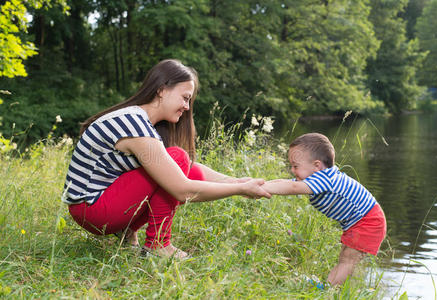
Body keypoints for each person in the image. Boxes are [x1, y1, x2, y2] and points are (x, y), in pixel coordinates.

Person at [61, 59, 271, 259]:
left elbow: (190, 170)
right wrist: (239, 190)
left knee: (179, 165)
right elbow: (183, 189)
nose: (187, 107)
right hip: (93, 210)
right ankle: (158, 245)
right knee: (177, 158)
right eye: (185, 98)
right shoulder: (135, 126)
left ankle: (127, 232)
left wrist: (235, 181)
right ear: (161, 90)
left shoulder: (137, 119)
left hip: (92, 207)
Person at [262, 133, 386, 286]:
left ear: (317, 165)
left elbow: (292, 187)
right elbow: (286, 182)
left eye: (295, 166)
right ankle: (329, 288)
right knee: (345, 258)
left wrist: (262, 188)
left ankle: (328, 291)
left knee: (348, 260)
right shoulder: (318, 176)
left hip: (368, 221)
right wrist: (260, 185)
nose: (292, 171)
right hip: (363, 219)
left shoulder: (325, 179)